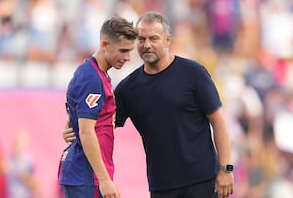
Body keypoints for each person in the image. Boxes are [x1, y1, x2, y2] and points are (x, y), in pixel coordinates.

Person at [63, 11, 234, 198]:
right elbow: (100, 119)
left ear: (167, 40)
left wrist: (226, 168)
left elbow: (218, 122)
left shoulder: (193, 73)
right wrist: (72, 126)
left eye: (154, 38)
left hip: (202, 181)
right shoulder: (128, 88)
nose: (147, 45)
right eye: (142, 39)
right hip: (161, 186)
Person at [58, 16, 138, 198]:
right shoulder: (92, 79)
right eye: (123, 51)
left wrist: (73, 127)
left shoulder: (94, 74)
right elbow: (87, 132)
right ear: (105, 44)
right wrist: (104, 179)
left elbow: (83, 121)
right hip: (87, 175)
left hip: (87, 174)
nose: (128, 57)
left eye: (130, 51)